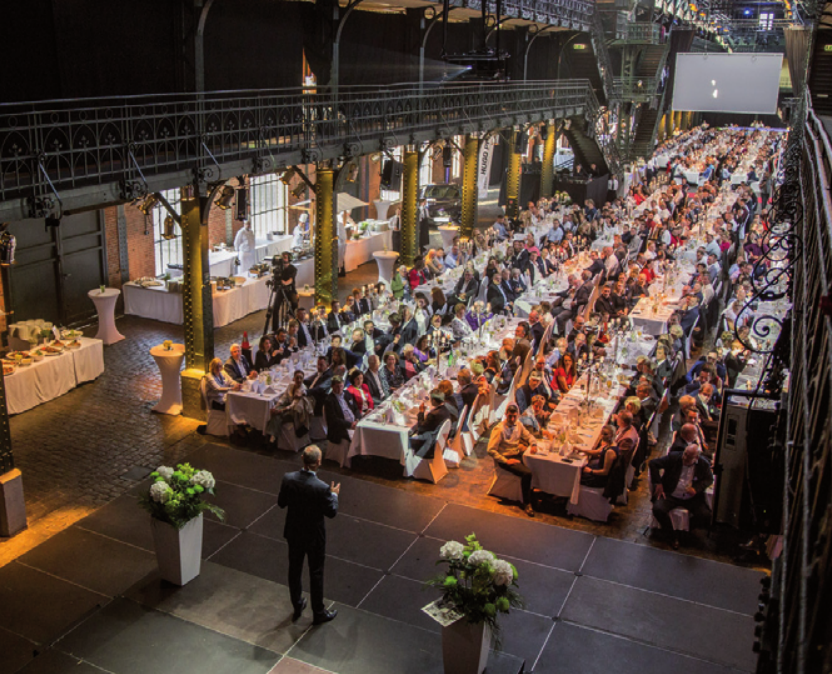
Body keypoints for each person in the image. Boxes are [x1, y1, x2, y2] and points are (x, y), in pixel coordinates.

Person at [277, 445, 340, 625]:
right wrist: (334, 496)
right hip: (314, 537)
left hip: (294, 533)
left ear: (302, 460)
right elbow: (331, 512)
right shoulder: (322, 488)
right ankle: (318, 612)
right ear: (318, 462)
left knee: (294, 569)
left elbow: (281, 503)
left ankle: (297, 604)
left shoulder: (288, 479)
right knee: (316, 572)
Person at [649, 444, 714, 549]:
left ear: (696, 458)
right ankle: (671, 534)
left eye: (688, 457)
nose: (684, 458)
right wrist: (658, 483)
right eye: (685, 454)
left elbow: (709, 479)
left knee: (705, 515)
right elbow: (653, 463)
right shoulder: (674, 457)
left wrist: (696, 489)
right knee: (658, 509)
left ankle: (684, 532)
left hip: (690, 498)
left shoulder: (703, 464)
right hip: (672, 494)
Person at [487, 404, 538, 516]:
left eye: (515, 416)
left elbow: (529, 436)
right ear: (506, 415)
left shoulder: (518, 424)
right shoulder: (499, 429)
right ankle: (526, 503)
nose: (512, 419)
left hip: (516, 454)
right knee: (527, 473)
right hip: (505, 458)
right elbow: (490, 450)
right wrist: (506, 461)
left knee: (536, 463)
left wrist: (533, 444)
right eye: (510, 416)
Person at [410, 389, 452, 457]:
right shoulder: (445, 409)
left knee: (408, 437)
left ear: (434, 400)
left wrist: (421, 412)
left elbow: (420, 428)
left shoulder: (433, 414)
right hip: (440, 441)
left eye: (431, 399)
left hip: (429, 444)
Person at [323, 375, 357, 446]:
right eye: (337, 387)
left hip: (354, 423)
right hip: (340, 428)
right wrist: (349, 425)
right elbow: (334, 420)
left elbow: (355, 408)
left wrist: (357, 419)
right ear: (332, 386)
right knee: (357, 437)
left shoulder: (347, 394)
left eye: (341, 386)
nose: (339, 389)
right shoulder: (329, 400)